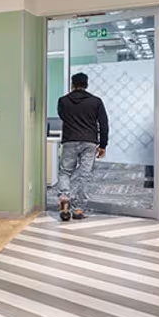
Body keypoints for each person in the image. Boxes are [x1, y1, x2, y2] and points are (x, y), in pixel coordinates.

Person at [56, 72, 109, 221]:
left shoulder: (63, 101)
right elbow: (104, 124)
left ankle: (64, 197)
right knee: (84, 175)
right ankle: (78, 209)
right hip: (89, 141)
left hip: (70, 140)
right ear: (86, 84)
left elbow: (62, 116)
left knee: (65, 172)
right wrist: (103, 145)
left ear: (72, 84)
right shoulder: (96, 101)